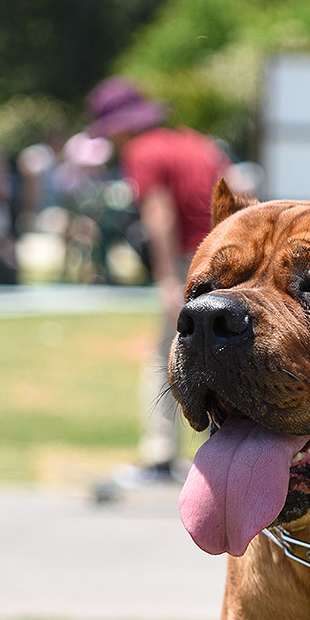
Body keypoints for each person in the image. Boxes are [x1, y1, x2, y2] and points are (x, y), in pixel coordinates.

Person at [86, 77, 232, 491]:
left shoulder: (141, 151)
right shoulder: (197, 142)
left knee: (166, 357)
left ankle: (160, 453)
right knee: (226, 354)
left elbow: (158, 213)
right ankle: (225, 446)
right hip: (227, 257)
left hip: (190, 260)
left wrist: (169, 279)